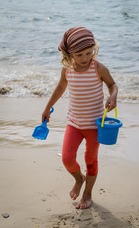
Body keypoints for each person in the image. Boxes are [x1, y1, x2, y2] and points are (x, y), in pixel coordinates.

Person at [42, 27, 118, 210]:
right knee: (67, 158)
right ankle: (79, 179)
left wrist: (113, 96)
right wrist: (47, 108)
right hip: (74, 123)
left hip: (95, 125)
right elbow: (60, 88)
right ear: (69, 55)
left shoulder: (98, 67)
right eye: (79, 55)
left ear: (94, 49)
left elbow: (112, 84)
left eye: (88, 53)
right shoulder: (67, 70)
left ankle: (88, 193)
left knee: (91, 159)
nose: (85, 58)